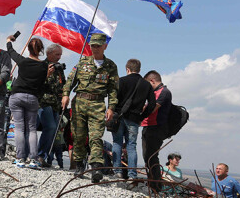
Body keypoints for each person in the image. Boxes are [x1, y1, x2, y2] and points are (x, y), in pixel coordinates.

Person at [61, 33, 119, 183]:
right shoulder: (82, 62)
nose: (95, 48)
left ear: (105, 46)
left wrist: (111, 107)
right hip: (80, 101)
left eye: (98, 45)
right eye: (93, 45)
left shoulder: (110, 66)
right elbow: (70, 81)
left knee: (95, 137)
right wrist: (66, 94)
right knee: (78, 136)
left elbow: (113, 89)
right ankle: (79, 165)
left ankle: (96, 168)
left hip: (97, 104)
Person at [6, 36, 48, 169]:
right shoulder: (43, 66)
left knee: (19, 127)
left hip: (17, 95)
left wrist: (8, 41)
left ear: (28, 49)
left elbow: (11, 52)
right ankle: (33, 159)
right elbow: (42, 85)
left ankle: (20, 158)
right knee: (32, 129)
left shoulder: (22, 61)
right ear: (41, 49)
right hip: (32, 98)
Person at [112, 59, 156, 180]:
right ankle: (132, 175)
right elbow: (152, 104)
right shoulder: (146, 85)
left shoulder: (121, 81)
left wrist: (113, 112)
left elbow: (113, 98)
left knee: (117, 143)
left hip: (119, 117)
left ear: (127, 69)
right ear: (139, 70)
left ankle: (117, 172)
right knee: (131, 146)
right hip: (134, 118)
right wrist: (142, 116)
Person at [141, 70, 172, 192]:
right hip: (149, 126)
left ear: (152, 81)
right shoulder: (156, 92)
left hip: (156, 128)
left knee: (152, 156)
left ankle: (156, 185)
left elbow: (153, 108)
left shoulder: (164, 92)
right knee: (147, 156)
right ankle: (152, 182)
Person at [37, 44, 65, 167]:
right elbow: (37, 83)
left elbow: (62, 84)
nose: (59, 57)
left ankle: (44, 156)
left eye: (60, 55)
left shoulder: (59, 69)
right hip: (44, 102)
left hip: (56, 104)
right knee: (50, 127)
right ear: (49, 54)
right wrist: (46, 74)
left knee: (53, 131)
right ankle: (39, 155)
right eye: (57, 54)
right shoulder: (41, 66)